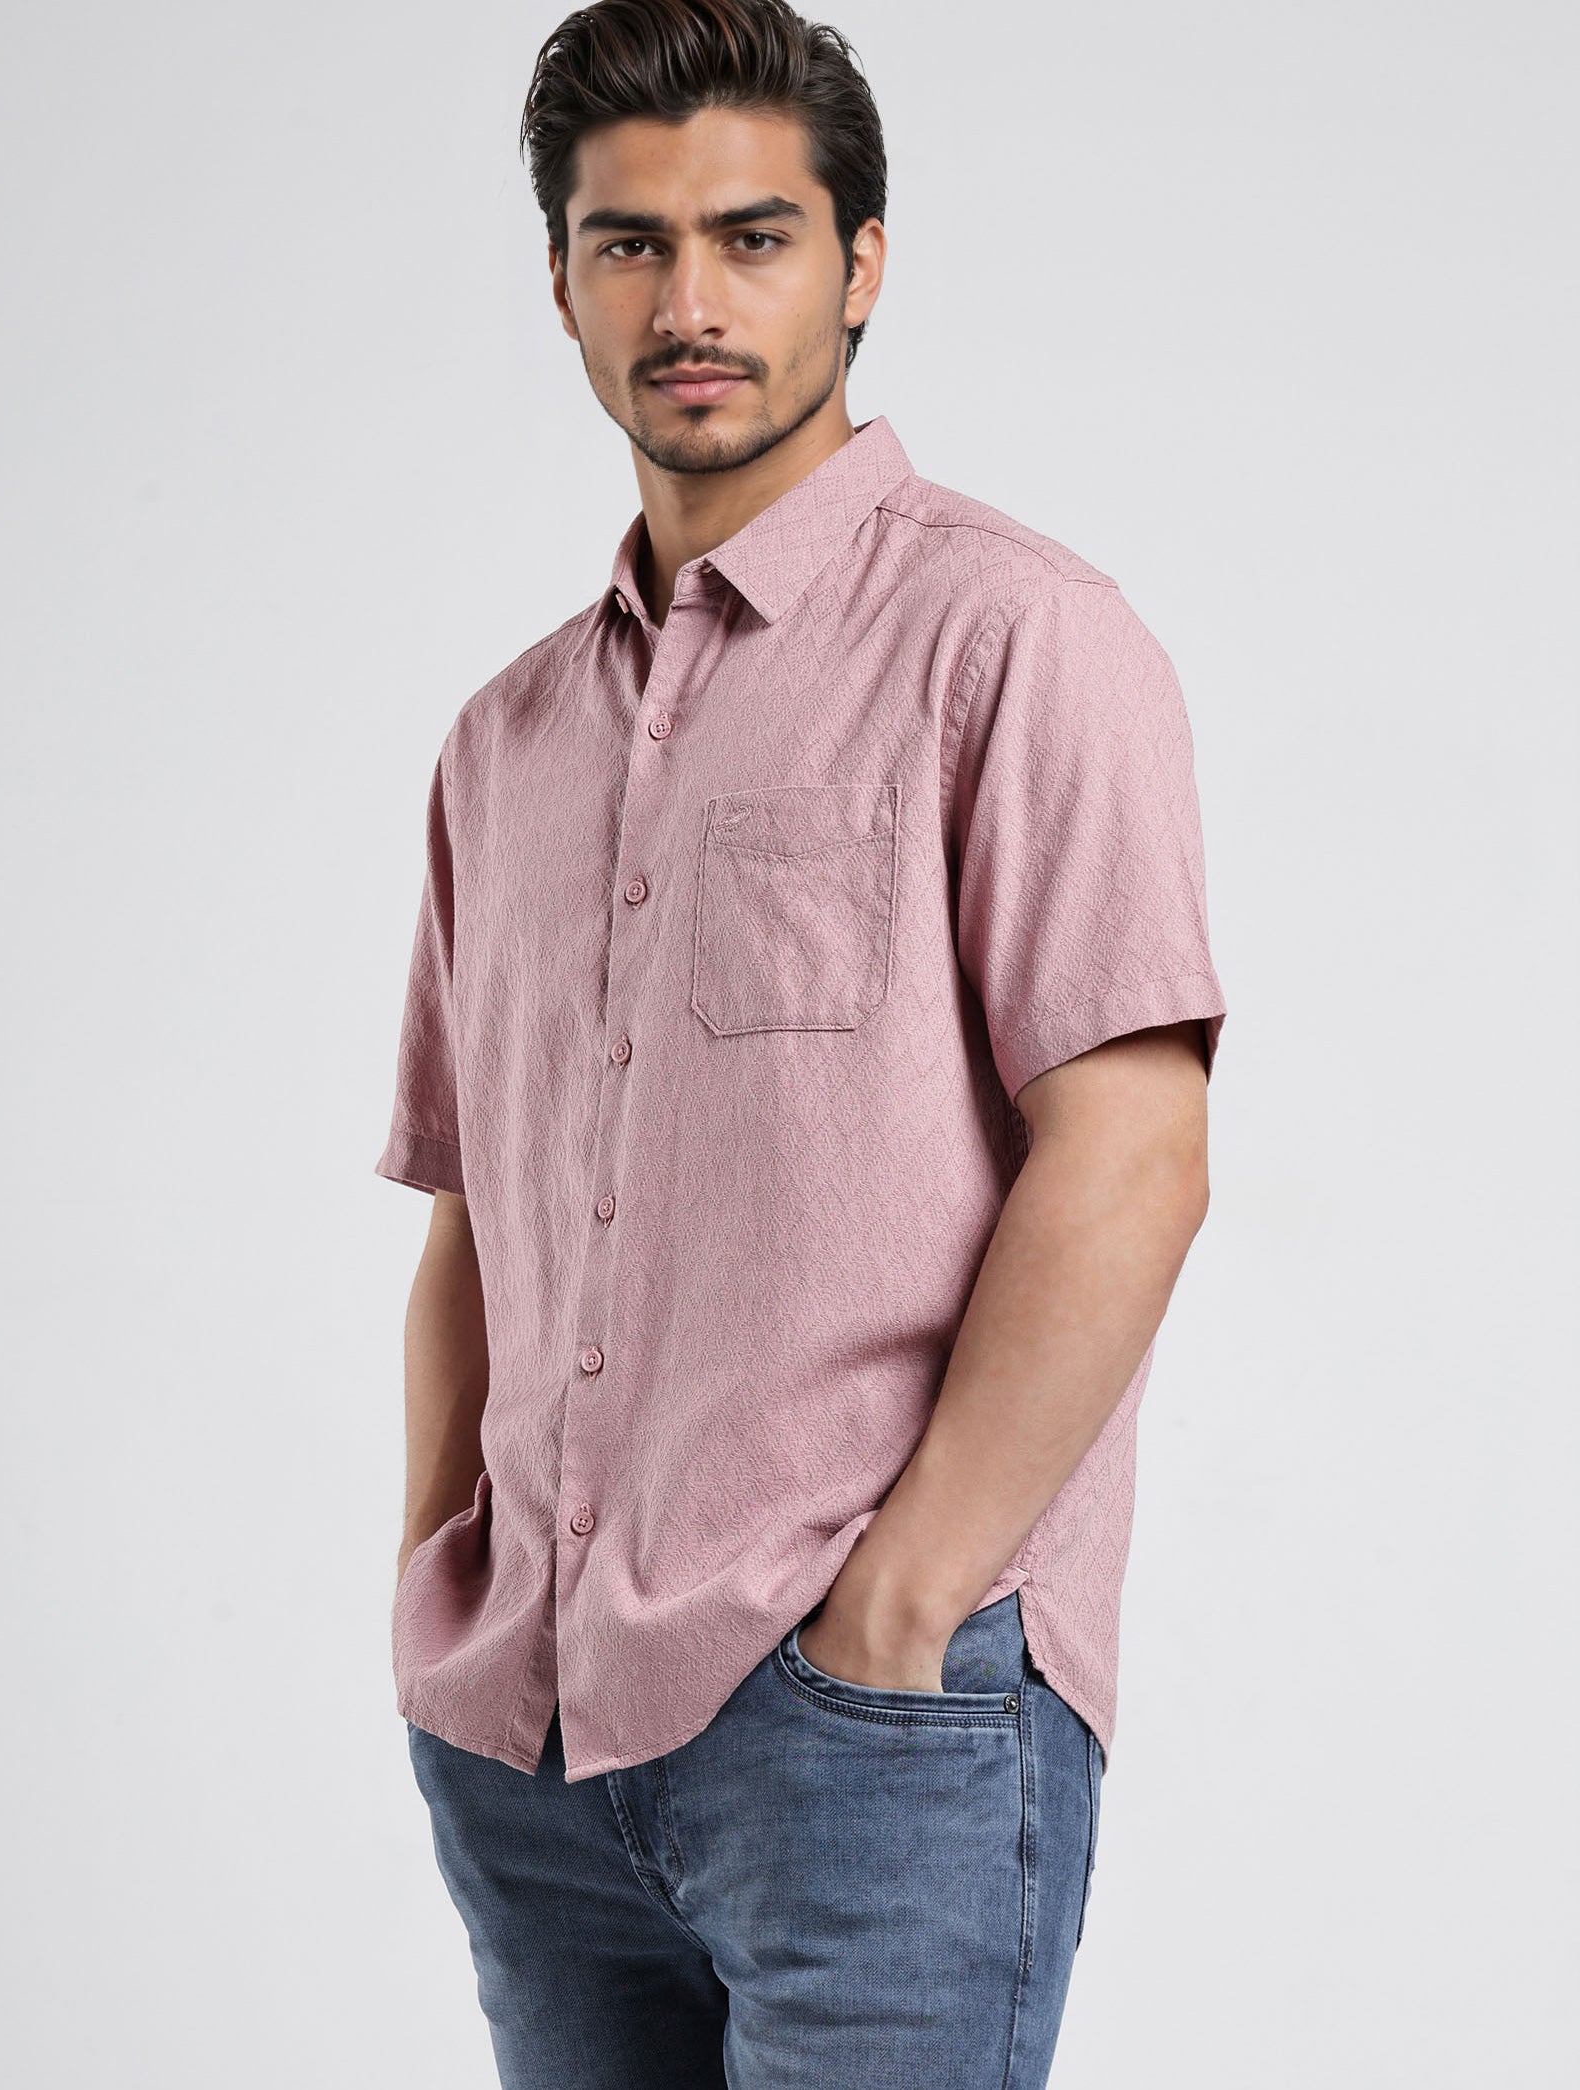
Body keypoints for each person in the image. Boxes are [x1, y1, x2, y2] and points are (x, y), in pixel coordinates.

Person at [374, 2, 1227, 2082]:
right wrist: (437, 1594)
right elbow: (475, 1213)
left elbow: (1132, 1153)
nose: (690, 303)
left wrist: (902, 1606)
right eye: (630, 243)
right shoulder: (501, 745)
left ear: (859, 264)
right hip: (528, 1745)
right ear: (561, 282)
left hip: (867, 1728)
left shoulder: (1015, 640)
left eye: (752, 238)